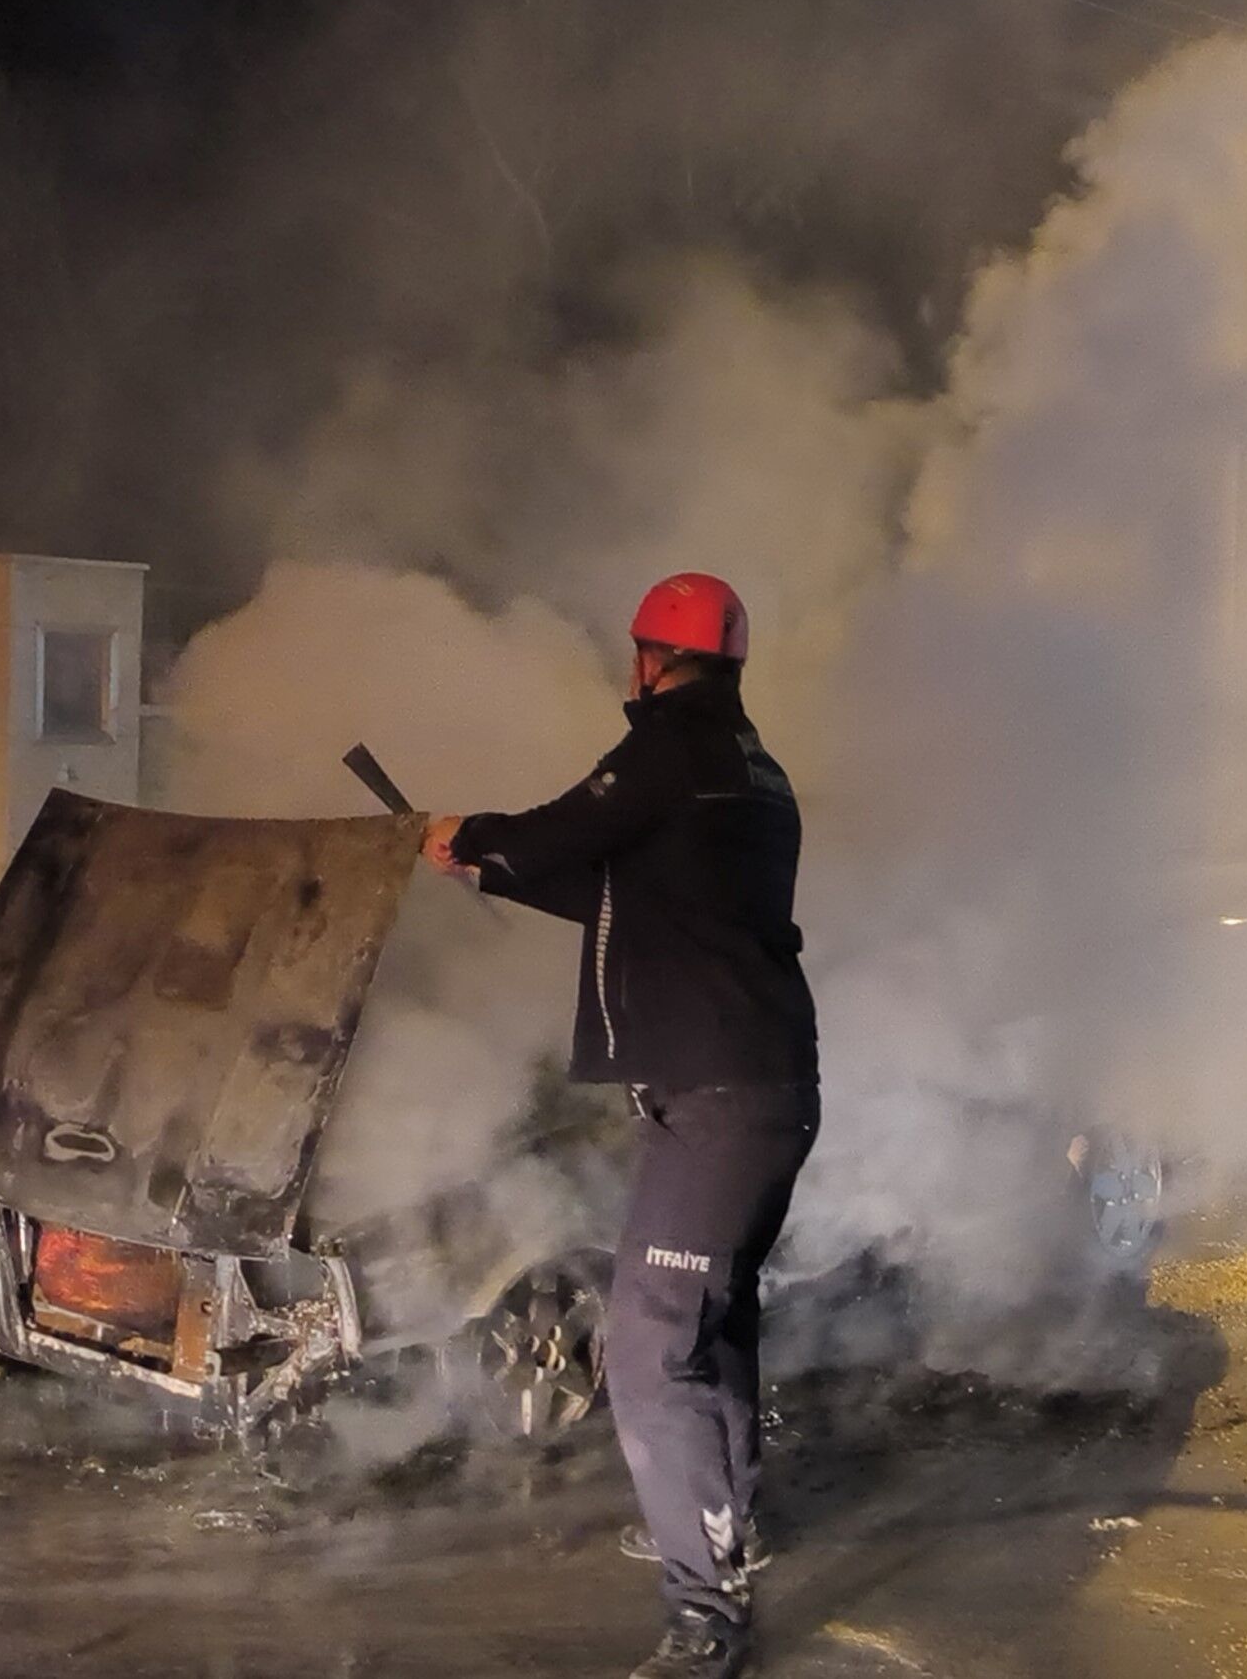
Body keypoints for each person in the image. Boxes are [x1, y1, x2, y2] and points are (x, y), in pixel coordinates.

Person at [420, 573, 816, 1679]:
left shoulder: (668, 747)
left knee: (647, 1352)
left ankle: (705, 1615)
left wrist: (469, 836)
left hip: (716, 1101)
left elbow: (565, 831)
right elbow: (634, 896)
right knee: (712, 1323)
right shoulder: (753, 771)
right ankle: (725, 1526)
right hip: (764, 1090)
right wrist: (493, 872)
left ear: (649, 660)